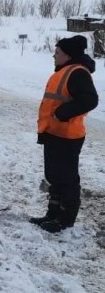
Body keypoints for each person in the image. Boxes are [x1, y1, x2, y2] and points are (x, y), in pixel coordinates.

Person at [30, 35, 98, 233]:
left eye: (57, 53)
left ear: (67, 55)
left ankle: (66, 219)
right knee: (54, 176)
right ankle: (52, 214)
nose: (53, 56)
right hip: (54, 133)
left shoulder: (77, 73)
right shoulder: (64, 71)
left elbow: (90, 100)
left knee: (67, 178)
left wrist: (62, 114)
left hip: (68, 136)